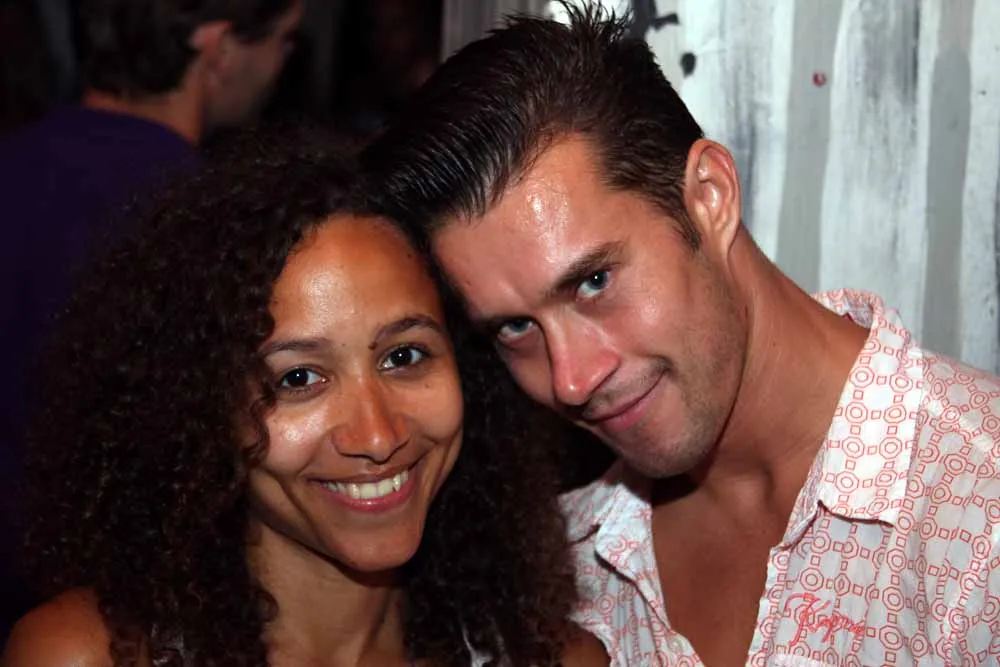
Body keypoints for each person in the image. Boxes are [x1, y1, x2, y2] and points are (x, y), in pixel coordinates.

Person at [360, 5, 1000, 665]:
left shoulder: (981, 514)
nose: (571, 379)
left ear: (710, 196)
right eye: (515, 327)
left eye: (593, 282)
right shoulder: (562, 566)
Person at [0, 126, 607, 667]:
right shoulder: (93, 655)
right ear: (205, 406)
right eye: (298, 379)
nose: (377, 436)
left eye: (403, 356)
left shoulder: (549, 660)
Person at [0, 0, 302, 639]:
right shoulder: (205, 222)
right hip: (117, 617)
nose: (284, 65)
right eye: (284, 40)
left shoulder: (13, 165)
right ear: (218, 48)